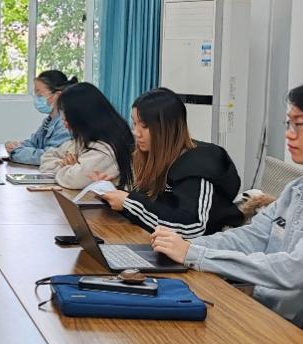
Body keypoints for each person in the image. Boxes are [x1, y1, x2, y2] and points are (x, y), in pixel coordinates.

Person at [151, 74, 303, 320]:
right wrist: (186, 247)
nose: (289, 134)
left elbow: (292, 270)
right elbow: (252, 237)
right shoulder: (299, 187)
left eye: (300, 125)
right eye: (289, 124)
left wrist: (195, 255)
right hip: (264, 311)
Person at [100, 87, 242, 238]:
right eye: (134, 124)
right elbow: (151, 207)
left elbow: (193, 227)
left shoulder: (198, 165)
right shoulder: (155, 157)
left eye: (145, 126)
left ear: (166, 128)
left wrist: (129, 203)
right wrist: (114, 193)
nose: (136, 132)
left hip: (202, 249)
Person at [40, 82, 134, 191]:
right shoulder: (83, 140)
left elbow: (74, 180)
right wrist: (69, 168)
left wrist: (67, 168)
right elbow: (46, 158)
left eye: (67, 118)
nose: (65, 124)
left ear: (82, 117)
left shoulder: (106, 148)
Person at [5, 70, 74, 165]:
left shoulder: (65, 124)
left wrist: (17, 152)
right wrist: (17, 145)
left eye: (40, 95)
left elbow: (49, 157)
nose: (36, 99)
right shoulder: (49, 120)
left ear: (57, 95)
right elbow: (35, 143)